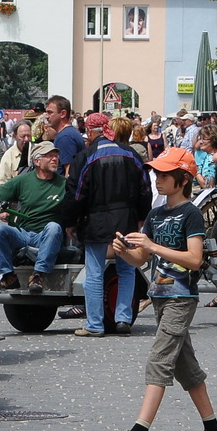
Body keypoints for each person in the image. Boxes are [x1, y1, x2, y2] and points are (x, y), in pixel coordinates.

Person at [92, 148, 217, 431]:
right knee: (186, 369)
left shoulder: (190, 214)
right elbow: (142, 258)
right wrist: (124, 250)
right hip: (161, 298)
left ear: (183, 179)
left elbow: (194, 259)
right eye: (157, 174)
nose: (158, 179)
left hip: (181, 298)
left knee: (159, 361)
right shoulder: (156, 214)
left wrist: (153, 245)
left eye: (165, 174)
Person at [67, 116, 150, 337]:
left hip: (95, 221)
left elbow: (76, 194)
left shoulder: (86, 156)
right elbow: (145, 188)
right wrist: (141, 217)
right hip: (127, 219)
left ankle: (95, 325)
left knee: (94, 272)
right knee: (127, 269)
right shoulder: (131, 154)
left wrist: (71, 221)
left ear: (92, 132)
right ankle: (123, 319)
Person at [0, 141, 68, 293]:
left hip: (45, 235)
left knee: (54, 227)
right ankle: (8, 275)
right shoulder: (23, 181)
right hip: (23, 233)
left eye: (56, 156)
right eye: (49, 156)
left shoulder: (64, 184)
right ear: (37, 161)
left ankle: (38, 275)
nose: (54, 159)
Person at [44, 96, 84, 171]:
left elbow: (69, 171)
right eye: (46, 112)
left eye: (50, 112)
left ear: (63, 114)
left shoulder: (65, 137)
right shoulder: (68, 133)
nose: (46, 116)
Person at [0, 119, 32, 186]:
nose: (26, 139)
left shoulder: (37, 151)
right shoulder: (8, 156)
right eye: (22, 136)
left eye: (28, 136)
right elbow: (0, 184)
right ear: (15, 136)